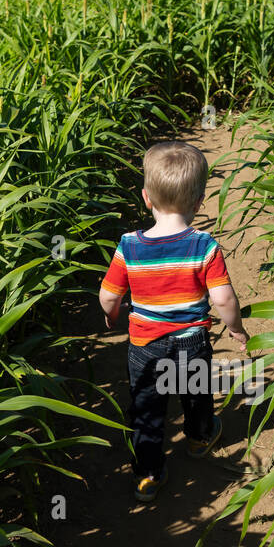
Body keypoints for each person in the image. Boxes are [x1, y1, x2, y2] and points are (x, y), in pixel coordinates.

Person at [98, 141, 250, 502]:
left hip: (145, 344)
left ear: (146, 198)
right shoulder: (203, 245)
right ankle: (198, 439)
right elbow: (223, 298)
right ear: (198, 203)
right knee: (195, 393)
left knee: (147, 407)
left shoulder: (129, 246)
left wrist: (113, 314)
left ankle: (148, 474)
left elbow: (108, 295)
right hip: (190, 341)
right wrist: (235, 327)